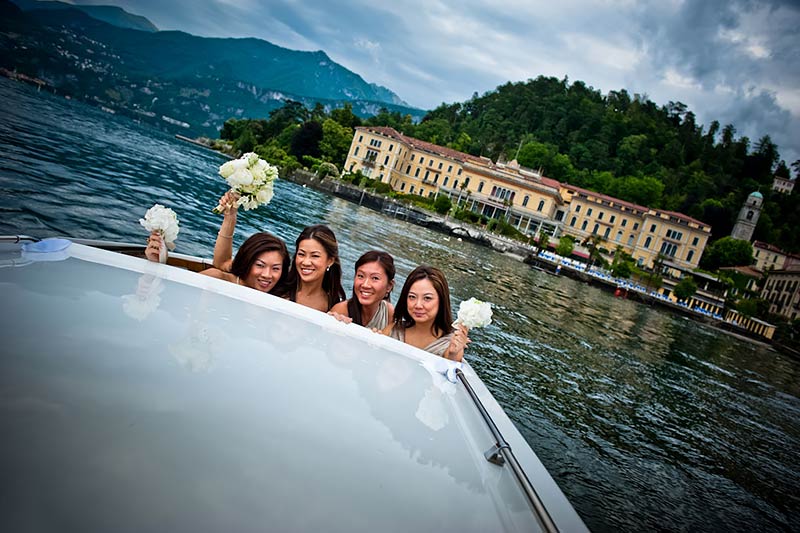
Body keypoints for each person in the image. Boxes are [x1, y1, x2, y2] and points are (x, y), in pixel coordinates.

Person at [145, 191, 289, 294]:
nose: (267, 274)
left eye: (276, 268)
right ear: (247, 262)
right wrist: (155, 263)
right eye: (260, 265)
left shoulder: (281, 296)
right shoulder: (216, 279)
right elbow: (172, 294)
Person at [381, 265, 469, 362]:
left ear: (441, 301)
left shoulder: (450, 345)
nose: (418, 305)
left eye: (427, 298)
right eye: (412, 297)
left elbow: (451, 371)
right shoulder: (393, 330)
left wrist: (453, 354)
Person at [284, 224, 346, 312]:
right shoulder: (279, 290)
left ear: (330, 261)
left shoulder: (335, 307)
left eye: (315, 256)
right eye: (301, 254)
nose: (306, 262)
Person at [329, 250, 395, 329]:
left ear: (389, 286)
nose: (365, 285)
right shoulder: (341, 311)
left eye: (375, 278)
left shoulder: (388, 313)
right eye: (360, 276)